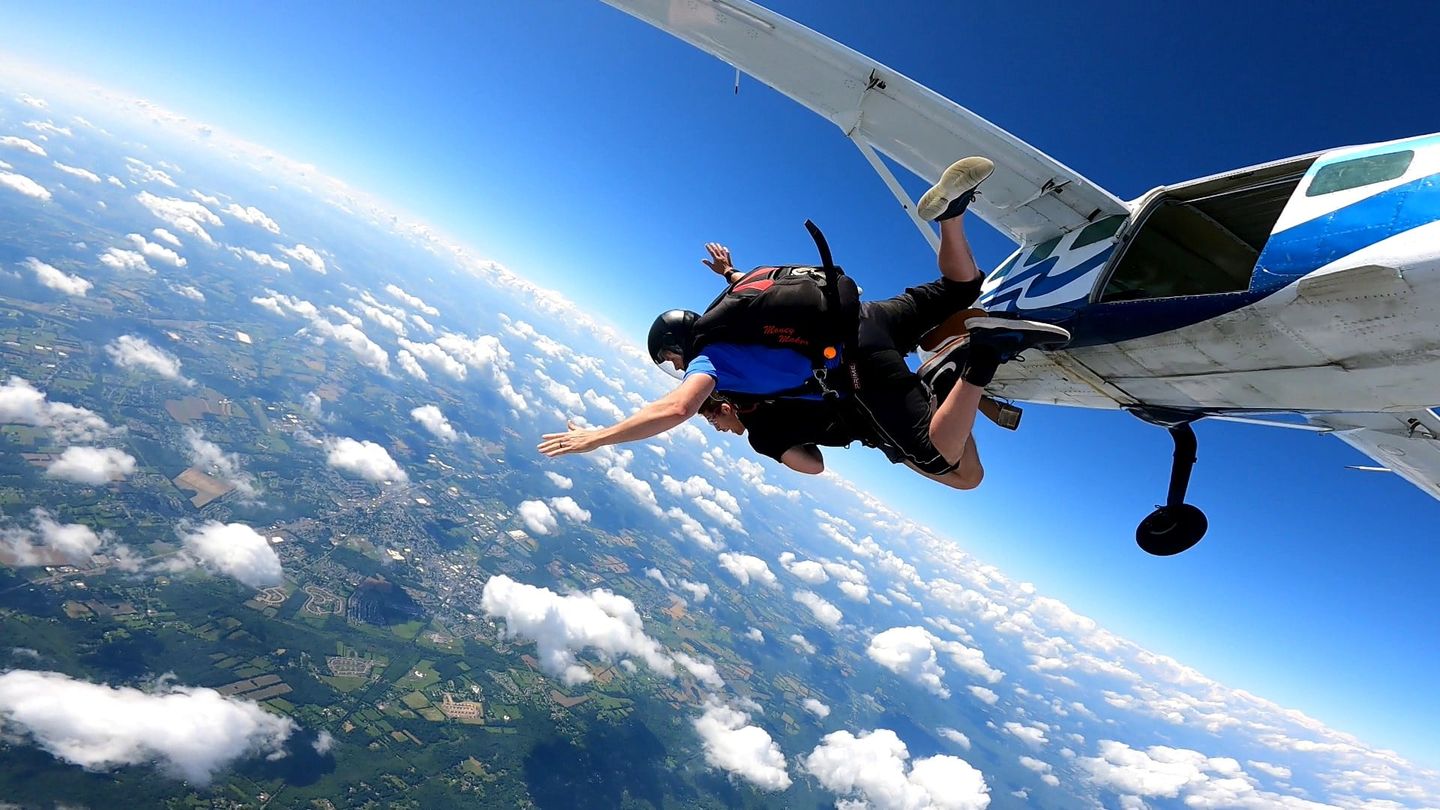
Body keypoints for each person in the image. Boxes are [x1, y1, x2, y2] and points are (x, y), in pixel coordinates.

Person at [538, 157, 1070, 477]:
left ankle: (983, 357)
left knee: (936, 456)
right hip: (864, 312)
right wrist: (729, 271)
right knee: (962, 287)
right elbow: (770, 308)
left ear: (679, 347)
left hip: (860, 358)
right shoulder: (733, 313)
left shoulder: (714, 362)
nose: (679, 369)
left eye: (671, 360)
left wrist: (597, 437)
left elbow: (677, 411)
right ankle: (953, 218)